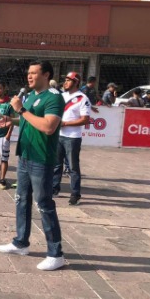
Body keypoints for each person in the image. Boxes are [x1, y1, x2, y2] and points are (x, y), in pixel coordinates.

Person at [0, 60, 66, 271]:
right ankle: (21, 243)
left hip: (41, 159)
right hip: (25, 155)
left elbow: (49, 126)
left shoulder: (54, 97)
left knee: (44, 204)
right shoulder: (32, 96)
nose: (29, 76)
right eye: (28, 73)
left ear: (46, 75)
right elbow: (31, 119)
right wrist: (13, 121)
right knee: (21, 200)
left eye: (34, 73)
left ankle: (56, 254)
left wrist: (21, 111)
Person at [52, 72, 91, 205]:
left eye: (68, 80)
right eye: (65, 80)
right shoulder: (61, 96)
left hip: (72, 138)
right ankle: (54, 189)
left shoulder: (83, 98)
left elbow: (85, 120)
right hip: (58, 135)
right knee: (56, 164)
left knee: (73, 167)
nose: (65, 82)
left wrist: (65, 124)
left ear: (76, 82)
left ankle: (75, 194)